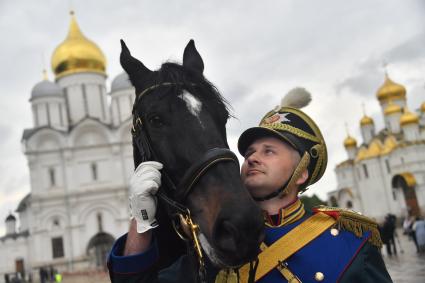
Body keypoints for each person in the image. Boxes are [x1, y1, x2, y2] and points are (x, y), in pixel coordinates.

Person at [108, 88, 392, 282]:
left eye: (269, 151)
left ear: (301, 174)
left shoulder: (350, 244)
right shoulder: (219, 244)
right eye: (249, 153)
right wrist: (140, 222)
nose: (253, 157)